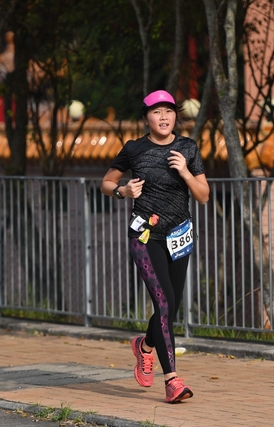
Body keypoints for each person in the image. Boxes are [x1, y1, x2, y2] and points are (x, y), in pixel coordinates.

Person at [100, 90, 210, 403]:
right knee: (164, 303)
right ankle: (172, 381)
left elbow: (203, 196)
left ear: (176, 115)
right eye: (156, 112)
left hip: (179, 235)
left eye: (169, 111)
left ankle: (145, 345)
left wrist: (185, 171)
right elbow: (106, 183)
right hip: (145, 235)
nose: (163, 117)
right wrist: (123, 191)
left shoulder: (187, 147)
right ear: (146, 117)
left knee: (170, 306)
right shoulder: (134, 149)